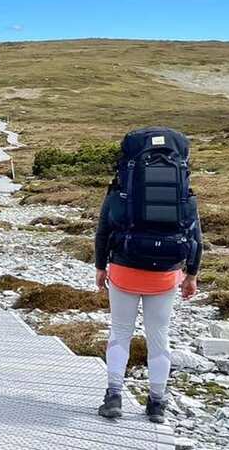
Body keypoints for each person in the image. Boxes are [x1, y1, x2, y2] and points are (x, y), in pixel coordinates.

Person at [94, 127, 202, 424]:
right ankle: (156, 404)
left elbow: (104, 231)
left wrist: (100, 266)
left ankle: (114, 397)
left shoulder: (120, 191)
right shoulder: (184, 194)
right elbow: (196, 237)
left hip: (125, 269)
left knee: (120, 333)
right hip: (166, 275)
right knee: (159, 336)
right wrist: (191, 274)